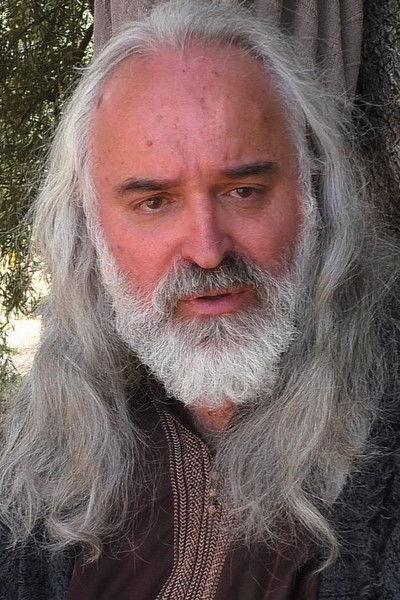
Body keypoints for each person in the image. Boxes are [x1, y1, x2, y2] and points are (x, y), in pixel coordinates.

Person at [0, 1, 399, 598]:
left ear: (314, 194)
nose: (208, 251)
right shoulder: (48, 443)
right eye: (153, 202)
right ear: (88, 226)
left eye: (244, 191)